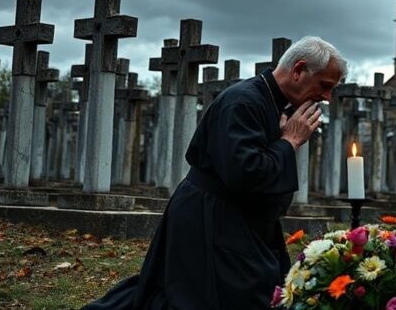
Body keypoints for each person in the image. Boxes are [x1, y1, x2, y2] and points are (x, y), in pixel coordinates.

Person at [83, 36, 347, 309]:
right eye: (325, 86)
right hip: (211, 219)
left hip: (239, 221)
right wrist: (289, 141)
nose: (327, 97)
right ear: (298, 69)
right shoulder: (243, 102)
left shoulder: (273, 102)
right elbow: (244, 174)